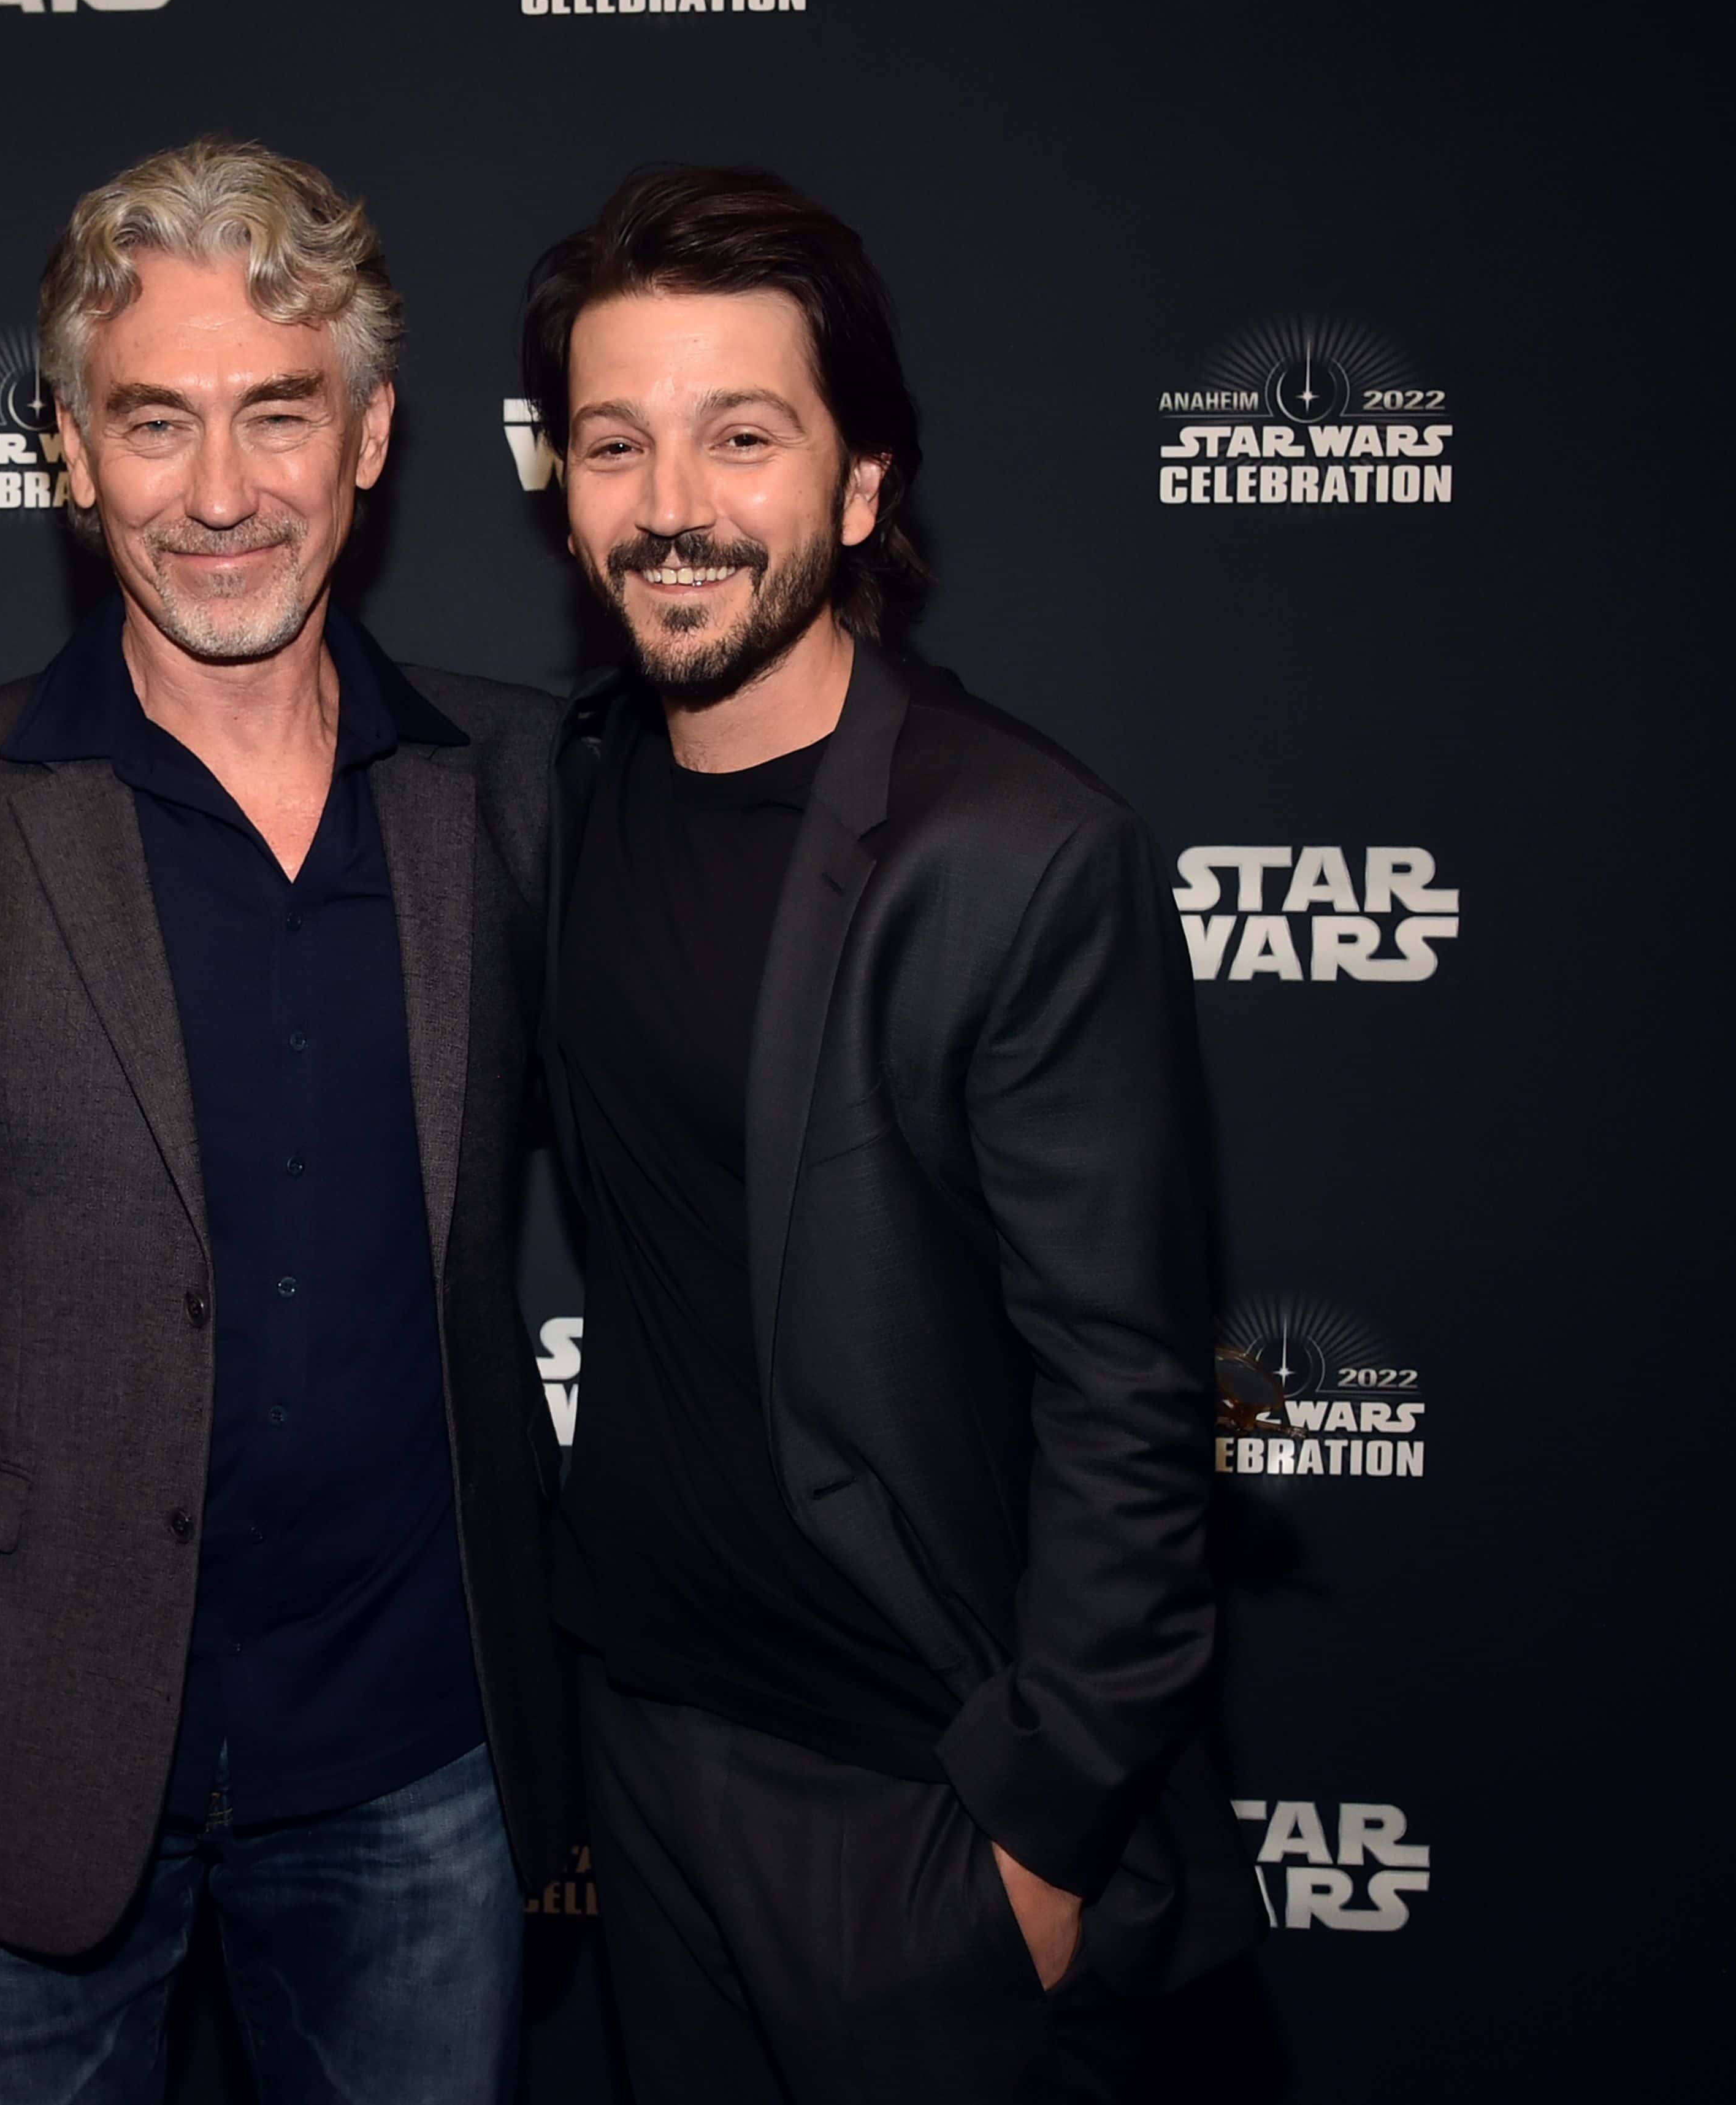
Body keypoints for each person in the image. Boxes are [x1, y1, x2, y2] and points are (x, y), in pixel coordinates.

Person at [0, 137, 573, 2105]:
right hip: (15, 1784)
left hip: (423, 1769)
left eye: (278, 416)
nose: (222, 493)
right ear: (72, 453)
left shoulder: (507, 785)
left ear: (374, 437)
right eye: (155, 423)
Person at [524, 166, 1260, 2102]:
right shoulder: (560, 795)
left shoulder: (1016, 852)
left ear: (860, 488)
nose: (672, 501)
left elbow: (1128, 1392)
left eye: (741, 435)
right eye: (618, 443)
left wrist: (1039, 1837)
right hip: (644, 1744)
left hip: (918, 1792)